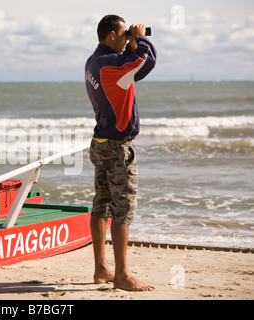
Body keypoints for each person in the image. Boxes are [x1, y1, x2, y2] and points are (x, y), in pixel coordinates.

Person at [85, 14, 157, 291]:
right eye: (124, 32)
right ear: (112, 35)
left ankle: (101, 268)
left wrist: (130, 42)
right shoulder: (112, 65)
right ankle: (122, 275)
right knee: (122, 210)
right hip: (117, 147)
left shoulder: (94, 61)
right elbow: (145, 61)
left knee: (102, 204)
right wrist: (140, 38)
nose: (128, 35)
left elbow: (127, 65)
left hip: (101, 143)